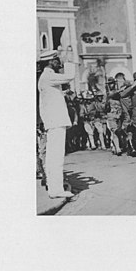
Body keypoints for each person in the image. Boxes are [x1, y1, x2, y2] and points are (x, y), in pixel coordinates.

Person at [37, 49, 76, 199]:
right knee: (56, 157)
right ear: (50, 62)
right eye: (56, 60)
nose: (58, 62)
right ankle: (56, 190)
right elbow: (70, 76)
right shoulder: (48, 76)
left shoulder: (46, 77)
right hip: (56, 122)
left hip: (54, 122)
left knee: (53, 157)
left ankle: (55, 188)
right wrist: (69, 60)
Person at [104, 78, 124, 156]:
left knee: (119, 131)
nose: (111, 85)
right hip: (111, 114)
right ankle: (118, 148)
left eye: (112, 83)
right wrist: (120, 90)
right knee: (114, 131)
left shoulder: (118, 93)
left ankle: (115, 146)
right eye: (110, 84)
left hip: (119, 113)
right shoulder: (108, 94)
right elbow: (111, 95)